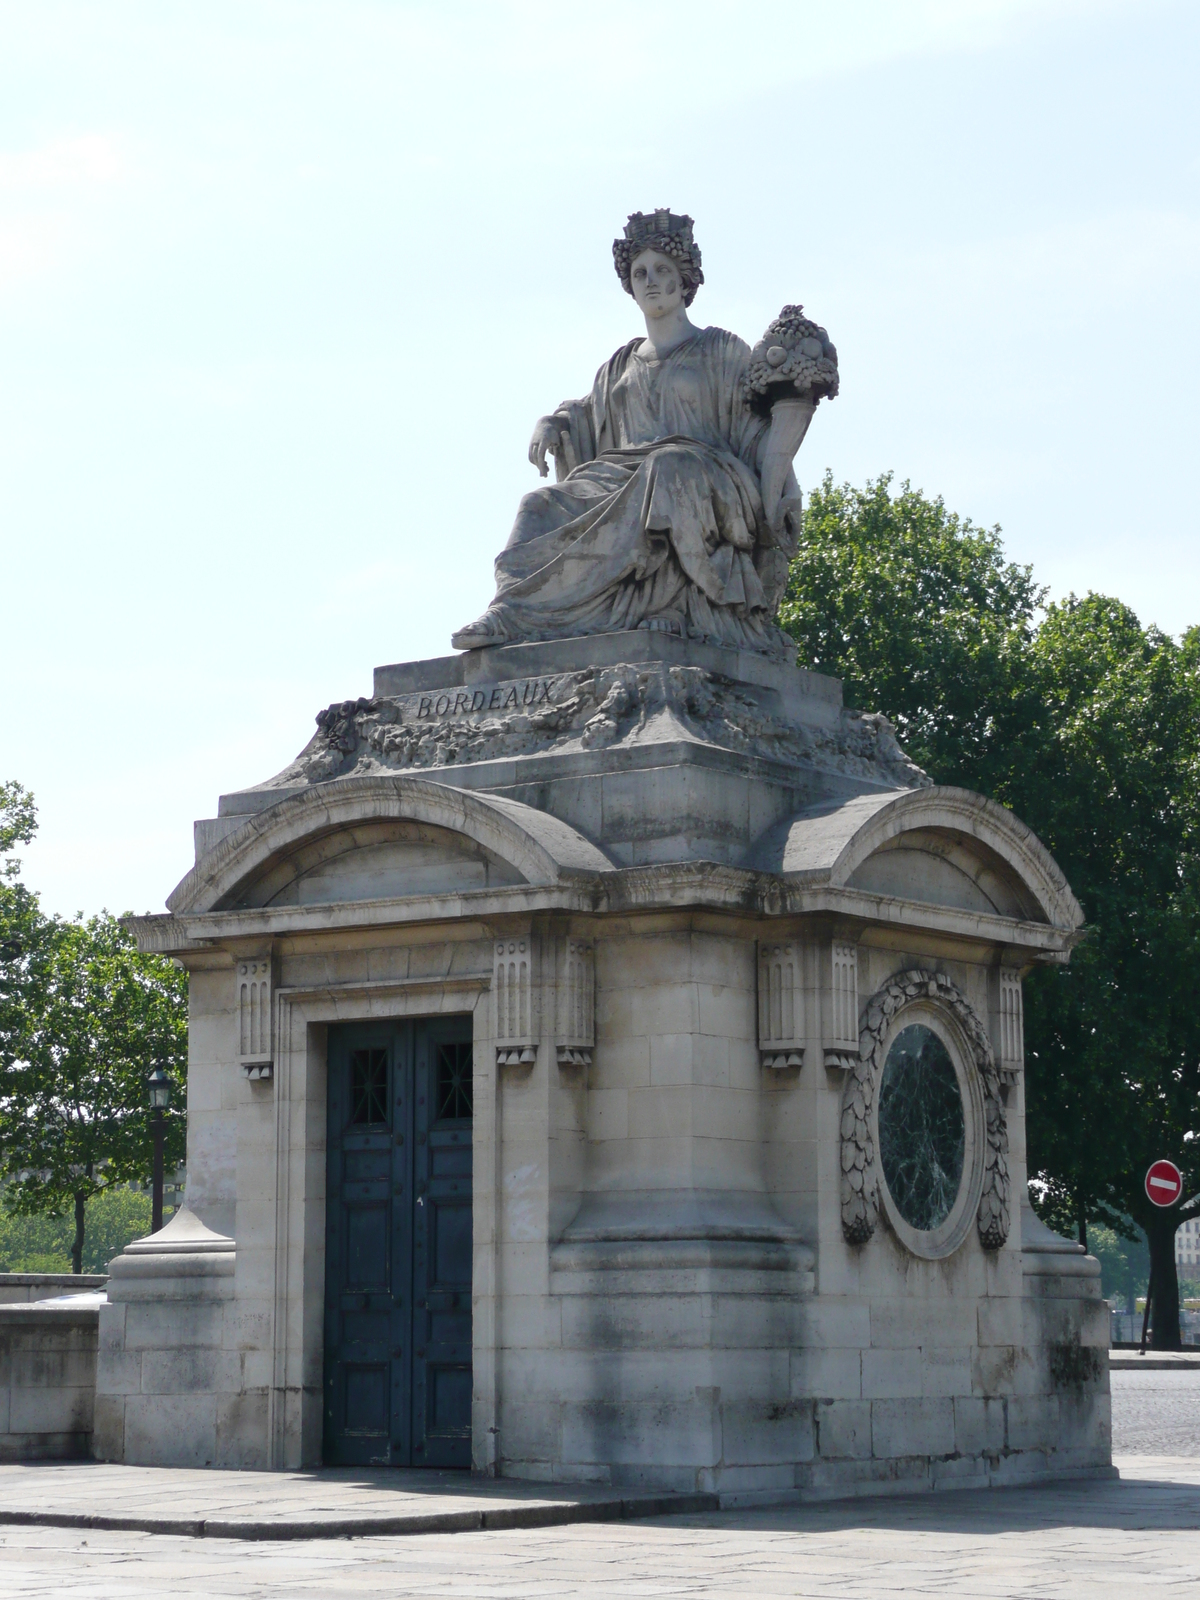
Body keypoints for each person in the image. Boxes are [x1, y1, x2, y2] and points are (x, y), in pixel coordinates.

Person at [451, 210, 826, 659]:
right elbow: (588, 416)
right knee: (538, 504)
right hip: (622, 475)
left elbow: (755, 431)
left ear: (684, 279)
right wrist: (555, 423)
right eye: (640, 273)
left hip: (707, 478)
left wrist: (785, 456)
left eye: (662, 271)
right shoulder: (619, 363)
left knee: (666, 470)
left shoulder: (722, 349)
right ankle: (510, 612)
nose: (650, 281)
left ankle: (669, 602)